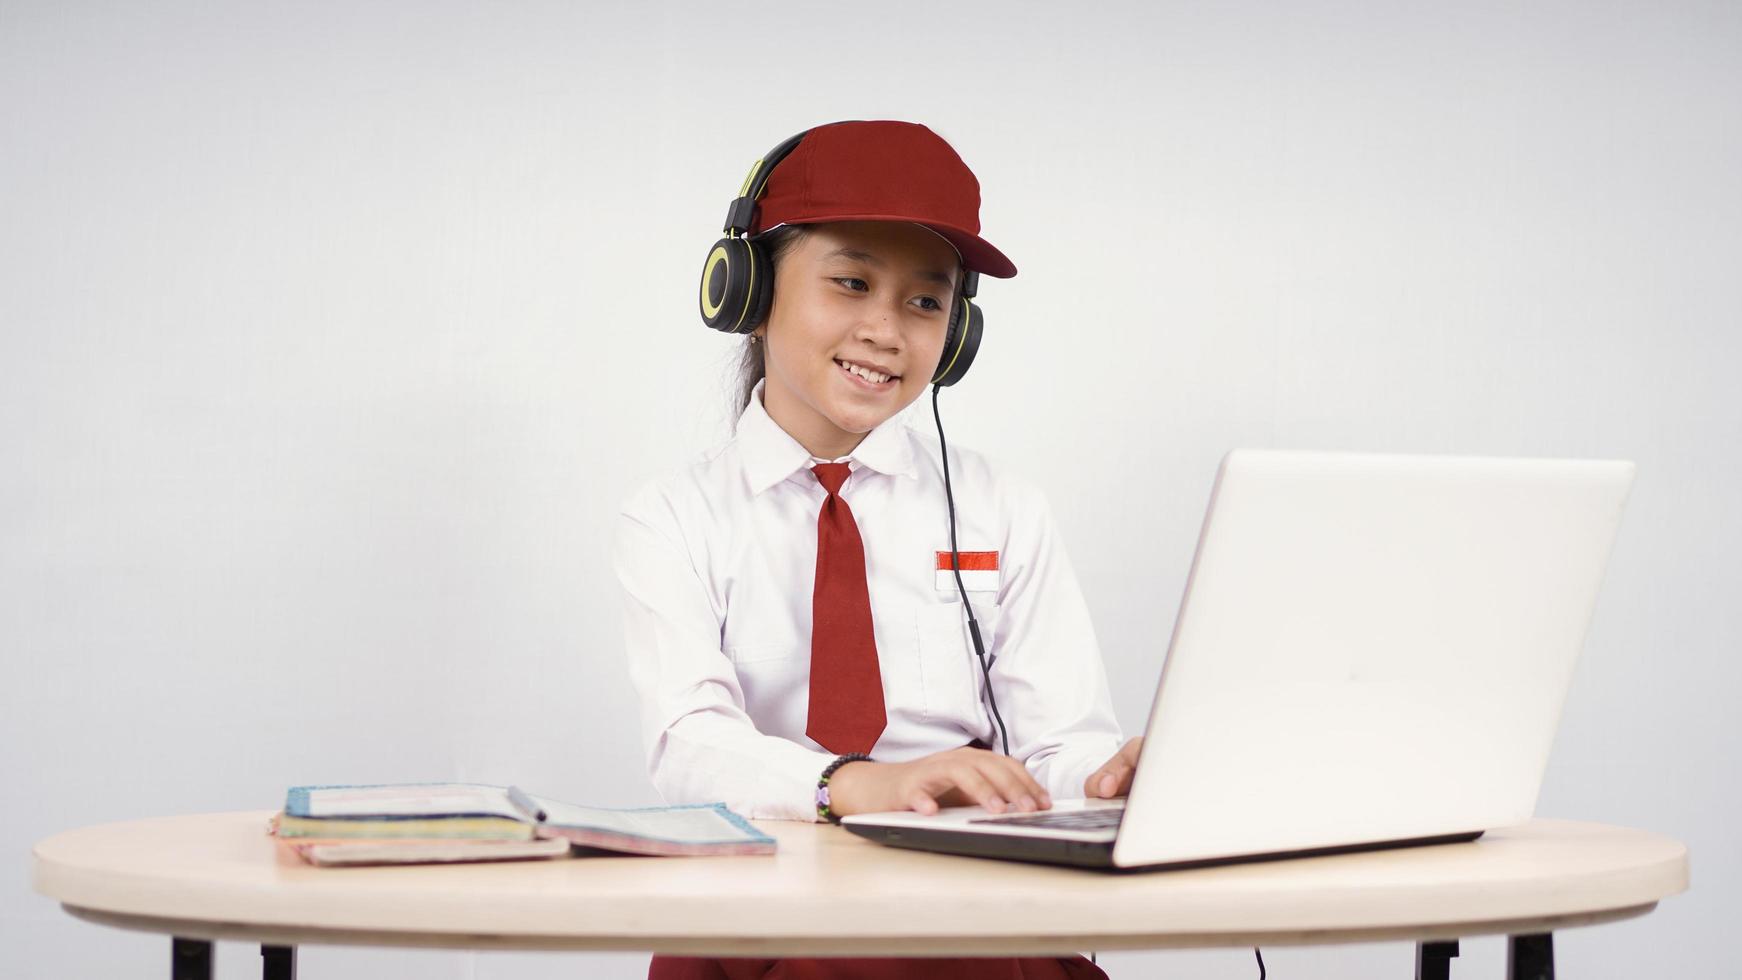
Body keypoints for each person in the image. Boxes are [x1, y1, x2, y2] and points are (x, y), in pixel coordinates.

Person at [611, 120, 1143, 980]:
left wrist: (1112, 778)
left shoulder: (1000, 507)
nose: (887, 330)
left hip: (970, 910)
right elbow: (689, 740)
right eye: (851, 282)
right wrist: (853, 784)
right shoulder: (673, 515)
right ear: (744, 290)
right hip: (760, 913)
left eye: (926, 301)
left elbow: (1059, 750)